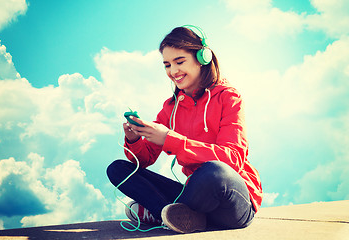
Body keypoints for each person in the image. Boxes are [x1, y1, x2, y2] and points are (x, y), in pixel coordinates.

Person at [107, 25, 263, 234]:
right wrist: (134, 139)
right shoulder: (170, 108)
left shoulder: (228, 96)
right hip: (194, 198)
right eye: (167, 65)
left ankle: (161, 213)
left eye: (180, 62)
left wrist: (170, 139)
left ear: (202, 58)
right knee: (118, 169)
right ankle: (175, 215)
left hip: (231, 200)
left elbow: (232, 159)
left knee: (214, 171)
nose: (173, 71)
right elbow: (143, 162)